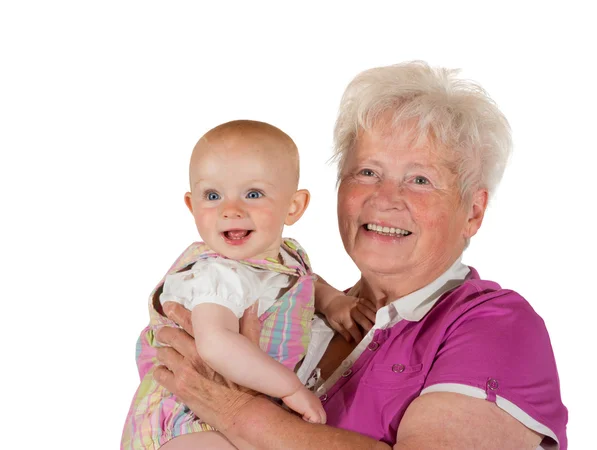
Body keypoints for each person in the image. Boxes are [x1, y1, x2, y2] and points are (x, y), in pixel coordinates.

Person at [151, 61, 569, 449]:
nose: (386, 198)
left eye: (420, 179)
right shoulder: (297, 308)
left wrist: (236, 412)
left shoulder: (496, 327)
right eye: (367, 172)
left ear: (473, 212)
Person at [121, 120, 375, 449]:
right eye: (212, 195)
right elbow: (215, 342)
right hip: (189, 422)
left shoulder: (284, 257)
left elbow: (305, 280)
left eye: (252, 194)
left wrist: (332, 301)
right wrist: (289, 389)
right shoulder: (220, 273)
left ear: (294, 206)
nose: (231, 210)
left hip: (231, 418)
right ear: (192, 206)